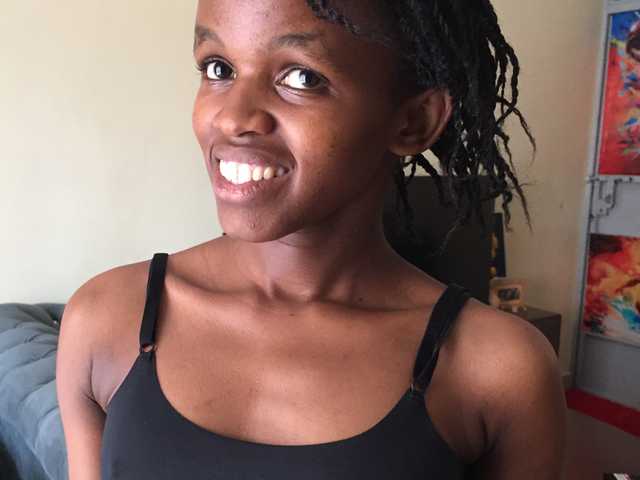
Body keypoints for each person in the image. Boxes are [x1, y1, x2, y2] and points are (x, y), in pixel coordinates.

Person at [56, 1, 567, 478]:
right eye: (218, 68)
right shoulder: (105, 319)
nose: (232, 118)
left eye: (301, 77)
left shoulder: (497, 370)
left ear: (415, 121)